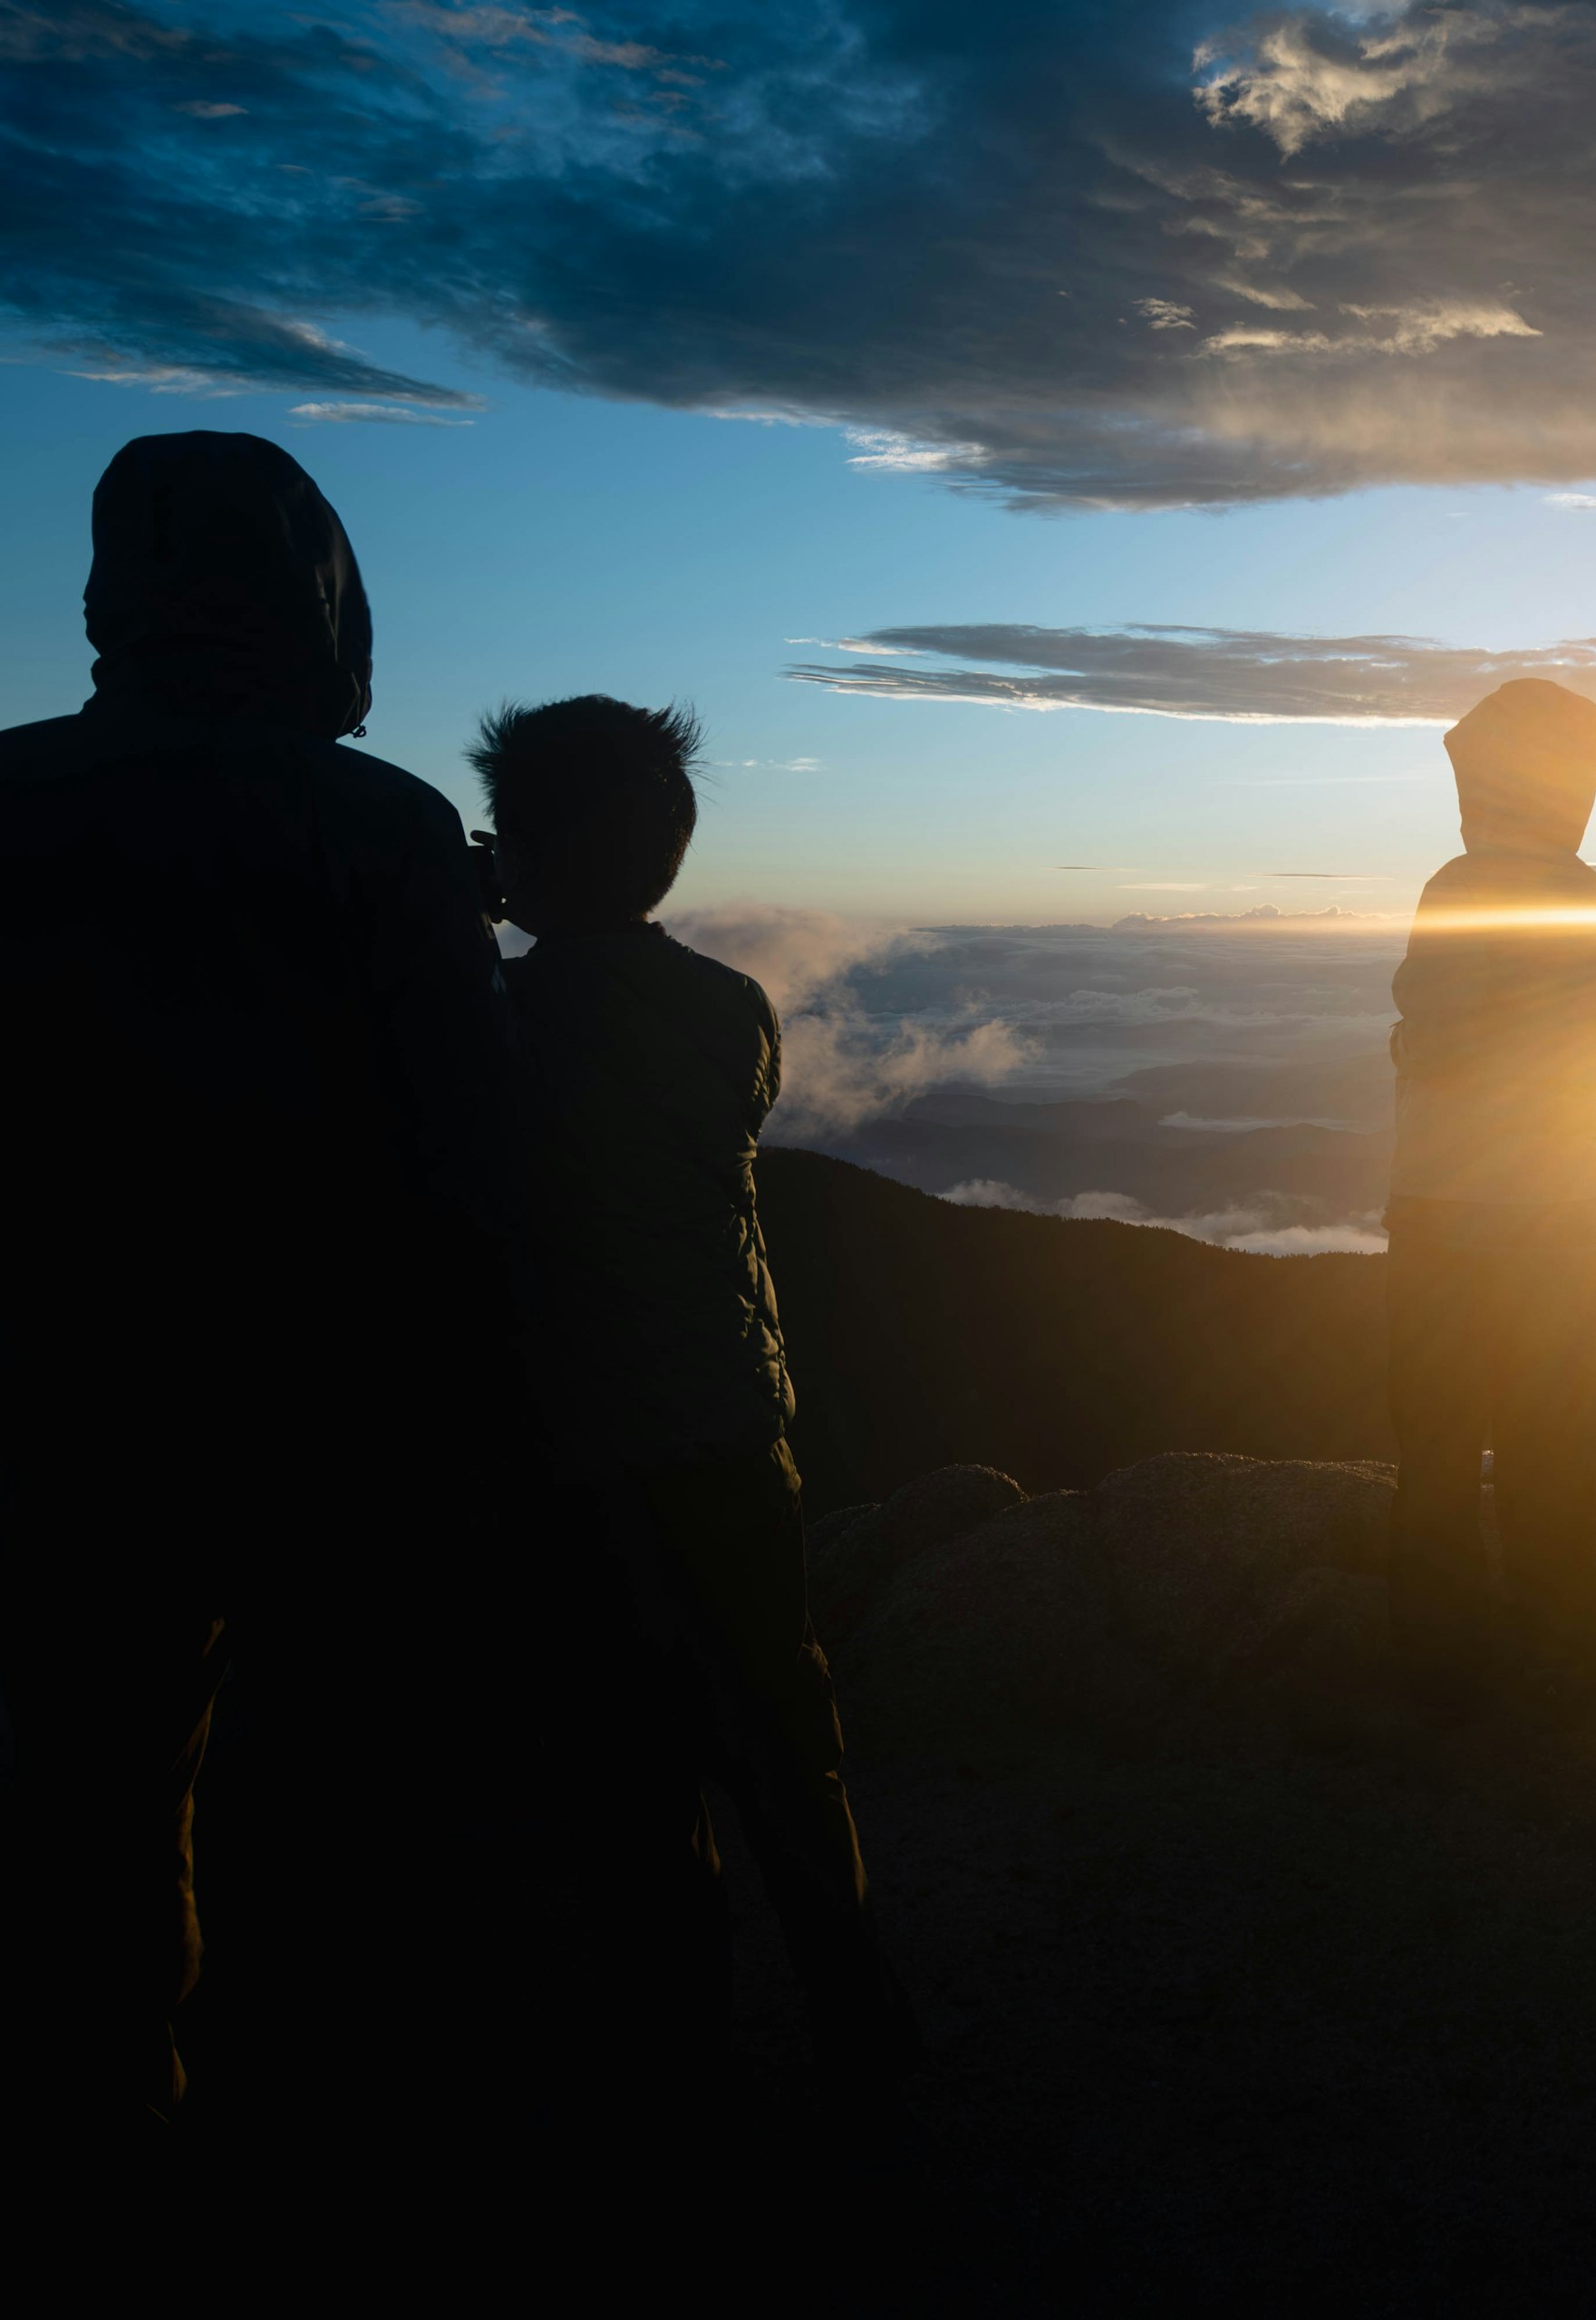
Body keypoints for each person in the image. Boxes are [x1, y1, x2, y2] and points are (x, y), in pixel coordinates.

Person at [0, 433, 515, 2135]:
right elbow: (466, 1149)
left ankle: (105, 2130)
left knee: (93, 1793)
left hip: (60, 1404)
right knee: (331, 1787)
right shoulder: (386, 826)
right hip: (331, 1411)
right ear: (321, 595)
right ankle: (316, 2140)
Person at [482, 694, 916, 2093]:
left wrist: (467, 915)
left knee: (629, 1761)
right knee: (786, 1736)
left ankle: (675, 2044)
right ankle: (857, 2014)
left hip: (574, 1451)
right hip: (734, 1427)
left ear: (524, 852)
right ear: (667, 854)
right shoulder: (732, 1009)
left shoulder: (493, 1017)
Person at [1385, 680, 1596, 1706]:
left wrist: (1428, 1041)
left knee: (1441, 1449)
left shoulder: (1458, 886)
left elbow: (1434, 1032)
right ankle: (1560, 1660)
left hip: (1442, 1205)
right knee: (1552, 1443)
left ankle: (1435, 1678)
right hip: (1561, 1213)